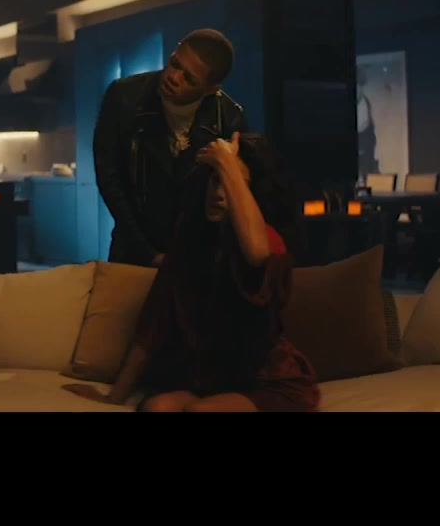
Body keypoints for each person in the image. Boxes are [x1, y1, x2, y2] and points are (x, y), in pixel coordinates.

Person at [64, 132, 319, 412]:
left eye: (232, 183)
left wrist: (226, 162)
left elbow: (257, 254)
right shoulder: (189, 246)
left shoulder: (270, 243)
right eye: (214, 180)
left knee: (201, 411)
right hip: (209, 381)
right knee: (157, 407)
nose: (219, 193)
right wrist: (115, 397)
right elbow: (153, 326)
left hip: (268, 382)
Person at [93, 28, 247, 268]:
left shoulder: (228, 118)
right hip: (133, 248)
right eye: (175, 63)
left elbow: (230, 194)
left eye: (189, 78)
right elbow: (109, 178)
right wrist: (147, 253)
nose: (174, 77)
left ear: (210, 89)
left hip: (197, 254)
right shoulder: (125, 97)